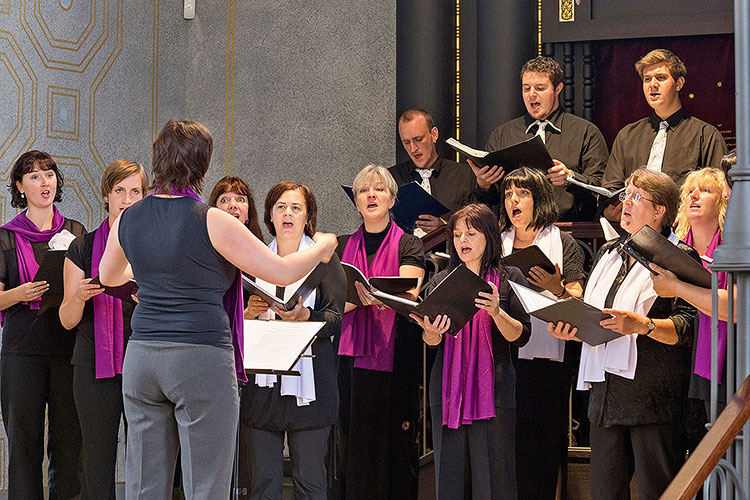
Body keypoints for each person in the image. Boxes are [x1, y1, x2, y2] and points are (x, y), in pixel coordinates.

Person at [98, 119, 338, 499]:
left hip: (142, 358)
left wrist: (154, 273)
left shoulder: (128, 217)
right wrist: (321, 247)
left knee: (144, 486)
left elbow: (108, 276)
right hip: (200, 358)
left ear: (158, 158)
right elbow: (280, 269)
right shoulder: (213, 220)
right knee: (206, 486)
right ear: (202, 164)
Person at [549, 169, 698, 500]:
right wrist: (575, 329)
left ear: (660, 210)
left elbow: (687, 327)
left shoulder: (680, 257)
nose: (625, 204)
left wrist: (641, 325)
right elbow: (597, 316)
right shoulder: (609, 252)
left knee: (657, 493)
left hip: (652, 398)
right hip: (606, 396)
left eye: (635, 197)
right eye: (624, 196)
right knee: (604, 493)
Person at [414, 203, 530, 499]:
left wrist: (497, 313)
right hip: (448, 391)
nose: (462, 241)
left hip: (494, 389)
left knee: (494, 478)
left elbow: (521, 335)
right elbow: (432, 342)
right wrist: (430, 334)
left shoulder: (509, 277)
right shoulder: (440, 281)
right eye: (456, 235)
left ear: (489, 237)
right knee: (450, 479)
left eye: (470, 233)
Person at [239, 181, 345, 500]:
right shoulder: (251, 260)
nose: (288, 213)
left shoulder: (325, 261)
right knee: (262, 485)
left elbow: (335, 319)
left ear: (307, 216)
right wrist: (246, 311)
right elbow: (226, 321)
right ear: (270, 215)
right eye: (281, 206)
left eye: (296, 207)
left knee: (311, 483)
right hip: (262, 386)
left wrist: (305, 317)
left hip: (311, 390)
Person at [58, 159, 148, 499]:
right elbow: (67, 319)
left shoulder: (154, 246)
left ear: (145, 196)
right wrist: (79, 296)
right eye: (119, 191)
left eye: (135, 191)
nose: (126, 199)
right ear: (106, 195)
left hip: (145, 363)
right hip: (94, 367)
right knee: (97, 461)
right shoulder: (82, 247)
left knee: (147, 459)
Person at [0, 150, 86, 500]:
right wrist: (20, 293)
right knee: (24, 444)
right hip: (21, 351)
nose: (44, 181)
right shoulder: (5, 237)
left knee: (69, 444)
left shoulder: (75, 231)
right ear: (20, 186)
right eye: (34, 176)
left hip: (68, 347)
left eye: (49, 174)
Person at [336, 164, 425, 500]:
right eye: (363, 190)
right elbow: (333, 303)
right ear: (357, 202)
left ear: (392, 199)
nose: (371, 195)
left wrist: (378, 297)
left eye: (379, 189)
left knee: (396, 443)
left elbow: (409, 294)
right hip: (351, 360)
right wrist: (358, 301)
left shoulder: (409, 245)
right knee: (353, 441)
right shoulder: (341, 247)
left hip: (397, 354)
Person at [498, 167, 585, 500]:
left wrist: (556, 287)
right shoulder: (496, 241)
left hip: (547, 359)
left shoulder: (562, 243)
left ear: (540, 200)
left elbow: (578, 298)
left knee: (543, 441)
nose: (513, 200)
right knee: (506, 442)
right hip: (502, 356)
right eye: (507, 194)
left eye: (522, 193)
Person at [473, 56, 608, 221]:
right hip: (515, 234)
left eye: (540, 88)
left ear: (557, 89)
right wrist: (483, 185)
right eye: (526, 88)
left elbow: (601, 188)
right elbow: (492, 200)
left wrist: (570, 178)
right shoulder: (503, 135)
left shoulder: (585, 132)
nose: (532, 95)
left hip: (569, 233)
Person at [602, 49, 727, 220]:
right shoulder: (627, 135)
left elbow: (718, 192)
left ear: (679, 83)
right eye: (647, 79)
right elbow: (611, 189)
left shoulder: (706, 135)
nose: (652, 84)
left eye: (661, 78)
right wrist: (613, 208)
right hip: (634, 233)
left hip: (683, 232)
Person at [650, 167, 730, 413]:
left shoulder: (729, 247)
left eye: (705, 191)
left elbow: (732, 307)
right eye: (690, 191)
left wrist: (677, 287)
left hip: (718, 359)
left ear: (723, 201)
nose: (693, 196)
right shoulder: (673, 247)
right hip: (674, 360)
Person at [390, 108, 476, 235]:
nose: (413, 149)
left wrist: (446, 225)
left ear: (434, 134)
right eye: (406, 142)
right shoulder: (391, 178)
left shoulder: (463, 175)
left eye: (418, 139)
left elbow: (480, 223)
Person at [207, 176, 264, 242]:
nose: (233, 205)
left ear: (248, 213)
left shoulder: (263, 250)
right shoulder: (201, 248)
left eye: (240, 199)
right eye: (224, 200)